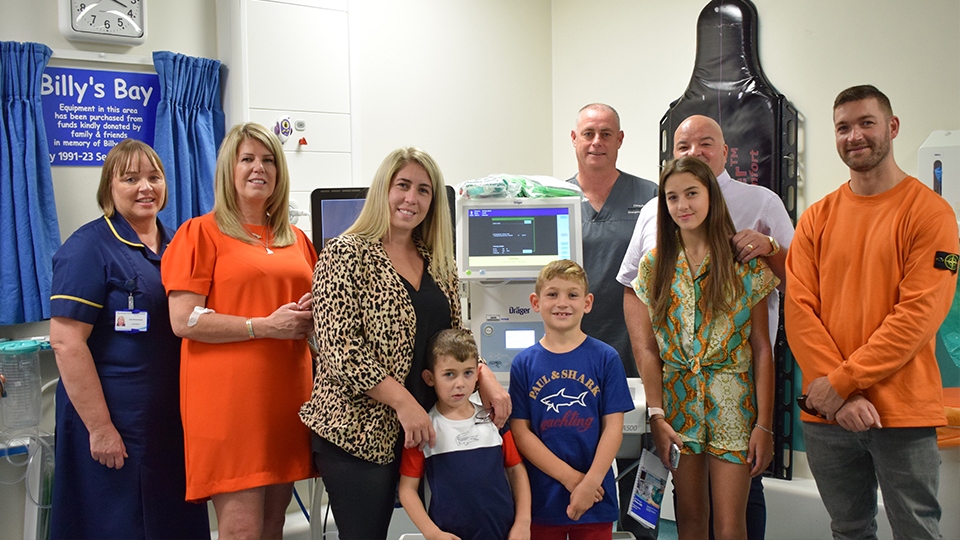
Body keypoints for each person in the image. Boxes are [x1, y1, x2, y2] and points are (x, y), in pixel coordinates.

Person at [299, 147, 512, 540]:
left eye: (423, 190)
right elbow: (340, 348)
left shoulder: (437, 261)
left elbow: (455, 340)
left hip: (425, 427)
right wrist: (402, 402)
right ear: (384, 189)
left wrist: (486, 378)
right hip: (358, 430)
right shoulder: (345, 254)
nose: (411, 199)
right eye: (402, 186)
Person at [785, 84, 959, 540]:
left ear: (892, 127)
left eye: (866, 123)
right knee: (849, 530)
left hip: (901, 415)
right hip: (828, 417)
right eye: (843, 127)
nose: (854, 136)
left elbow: (918, 316)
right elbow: (800, 312)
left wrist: (841, 383)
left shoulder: (931, 214)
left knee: (917, 531)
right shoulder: (816, 218)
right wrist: (838, 397)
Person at [619, 114, 794, 539]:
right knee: (690, 519)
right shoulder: (654, 267)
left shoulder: (742, 264)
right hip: (678, 407)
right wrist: (657, 414)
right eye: (673, 197)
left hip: (734, 405)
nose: (683, 205)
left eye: (692, 194)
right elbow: (647, 346)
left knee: (732, 524)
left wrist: (765, 426)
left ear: (711, 195)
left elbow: (762, 349)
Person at [162, 122, 317, 539]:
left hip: (287, 398)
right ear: (228, 170)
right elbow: (184, 320)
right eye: (246, 159)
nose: (258, 168)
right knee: (241, 530)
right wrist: (263, 326)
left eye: (268, 160)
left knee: (273, 525)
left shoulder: (297, 240)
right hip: (230, 404)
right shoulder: (200, 233)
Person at [48, 139, 209, 539]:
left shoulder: (179, 245)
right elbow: (66, 342)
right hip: (115, 425)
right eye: (131, 178)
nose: (145, 187)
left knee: (173, 524)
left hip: (169, 423)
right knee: (120, 526)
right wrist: (100, 429)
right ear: (109, 189)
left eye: (154, 177)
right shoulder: (89, 248)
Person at [567, 103, 657, 539]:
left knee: (639, 469)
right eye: (588, 133)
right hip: (572, 354)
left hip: (634, 352)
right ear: (574, 139)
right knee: (577, 459)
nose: (596, 142)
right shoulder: (554, 200)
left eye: (606, 133)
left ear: (620, 139)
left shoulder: (653, 197)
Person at [509, 259, 634, 540]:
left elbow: (613, 428)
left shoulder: (606, 358)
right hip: (540, 499)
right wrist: (570, 478)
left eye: (572, 295)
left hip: (595, 497)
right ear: (535, 301)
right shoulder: (523, 363)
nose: (562, 302)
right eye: (552, 294)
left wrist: (590, 483)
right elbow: (520, 431)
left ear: (587, 303)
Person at [398, 328, 532, 540]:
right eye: (449, 374)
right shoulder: (424, 430)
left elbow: (516, 471)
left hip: (504, 533)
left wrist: (523, 523)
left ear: (478, 373)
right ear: (430, 378)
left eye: (467, 373)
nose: (460, 383)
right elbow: (407, 490)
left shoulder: (494, 421)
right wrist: (432, 532)